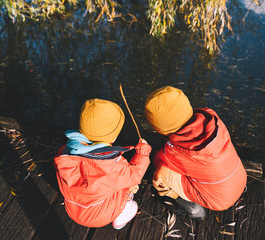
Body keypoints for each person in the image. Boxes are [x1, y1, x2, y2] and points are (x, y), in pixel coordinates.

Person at [144, 86, 247, 219]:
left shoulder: (173, 153)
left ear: (159, 129)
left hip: (219, 200)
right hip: (239, 177)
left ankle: (191, 207)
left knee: (160, 177)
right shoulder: (212, 119)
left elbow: (159, 160)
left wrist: (160, 165)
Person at [53, 99, 151, 229]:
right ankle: (122, 216)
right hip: (100, 216)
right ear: (113, 138)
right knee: (128, 187)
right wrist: (142, 152)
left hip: (72, 209)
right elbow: (136, 175)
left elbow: (58, 168)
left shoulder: (64, 153)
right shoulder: (114, 166)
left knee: (112, 184)